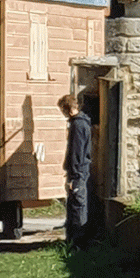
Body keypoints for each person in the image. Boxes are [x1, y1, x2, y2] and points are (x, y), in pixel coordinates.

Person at [57, 93, 92, 248]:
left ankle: (78, 244)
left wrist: (74, 177)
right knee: (76, 206)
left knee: (78, 208)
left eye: (62, 110)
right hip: (79, 171)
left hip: (78, 173)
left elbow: (76, 153)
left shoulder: (78, 125)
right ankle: (74, 243)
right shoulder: (82, 123)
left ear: (67, 109)